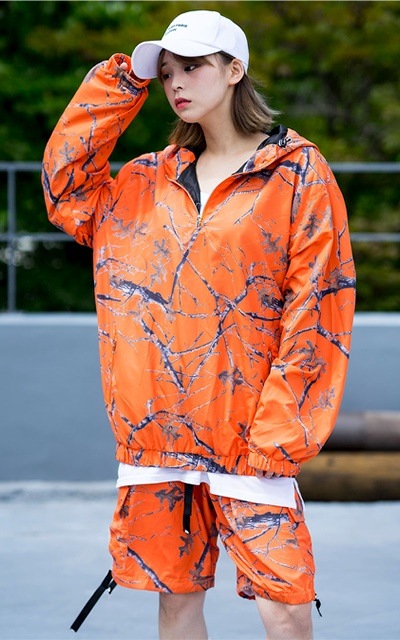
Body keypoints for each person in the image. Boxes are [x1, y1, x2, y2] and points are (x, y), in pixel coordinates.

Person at [42, 9, 356, 640]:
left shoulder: (296, 174)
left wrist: (279, 434)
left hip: (252, 439)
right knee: (176, 604)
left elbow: (317, 307)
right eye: (166, 73)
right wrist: (123, 80)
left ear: (234, 70)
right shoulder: (143, 181)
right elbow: (65, 187)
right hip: (157, 435)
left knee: (286, 610)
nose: (176, 83)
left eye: (193, 67)